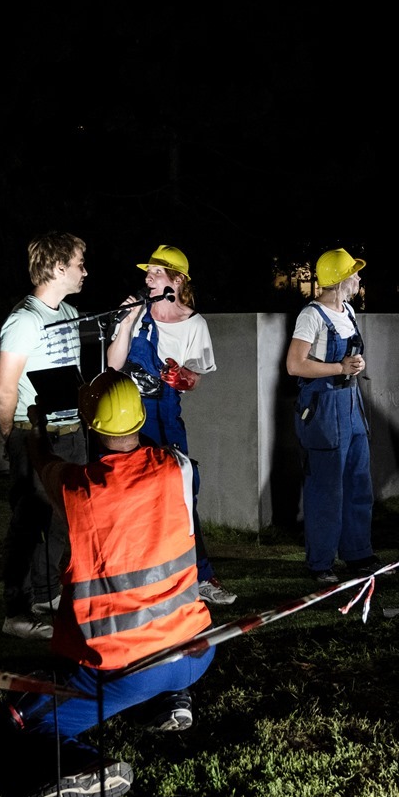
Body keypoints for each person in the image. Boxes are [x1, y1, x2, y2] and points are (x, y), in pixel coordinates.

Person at [10, 370, 215, 797]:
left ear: (90, 423)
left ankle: (87, 766)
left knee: (23, 718)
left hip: (127, 667)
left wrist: (36, 428)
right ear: (140, 417)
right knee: (158, 658)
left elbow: (43, 461)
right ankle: (171, 702)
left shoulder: (78, 489)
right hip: (195, 650)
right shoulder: (177, 468)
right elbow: (149, 459)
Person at [105, 245, 236, 605]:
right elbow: (113, 366)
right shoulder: (138, 314)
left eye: (156, 272)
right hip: (124, 418)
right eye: (147, 272)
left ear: (177, 281)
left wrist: (183, 378)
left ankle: (201, 577)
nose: (148, 278)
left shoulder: (195, 325)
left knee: (180, 496)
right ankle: (135, 580)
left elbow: (195, 379)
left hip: (164, 418)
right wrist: (126, 322)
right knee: (129, 497)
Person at [0, 232, 90, 639]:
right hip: (35, 435)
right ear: (58, 267)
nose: (85, 271)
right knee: (28, 525)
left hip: (72, 433)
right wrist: (12, 438)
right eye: (80, 263)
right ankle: (15, 612)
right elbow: (4, 389)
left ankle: (47, 594)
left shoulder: (69, 312)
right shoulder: (24, 320)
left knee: (66, 520)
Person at [286, 248, 378, 583]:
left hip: (351, 403)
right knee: (325, 487)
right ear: (340, 280)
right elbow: (295, 364)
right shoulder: (311, 316)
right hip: (323, 407)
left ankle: (358, 553)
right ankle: (321, 563)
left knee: (357, 480)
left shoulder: (348, 311)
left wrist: (354, 366)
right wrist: (339, 367)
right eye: (354, 273)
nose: (358, 278)